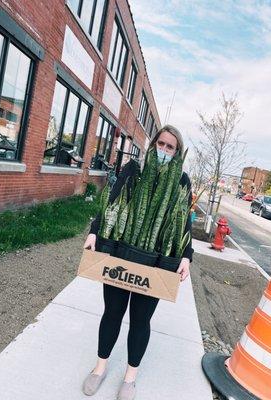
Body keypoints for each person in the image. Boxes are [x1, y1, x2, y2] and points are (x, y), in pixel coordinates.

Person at [82, 125, 194, 400]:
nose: (165, 150)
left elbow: (183, 223)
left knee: (141, 320)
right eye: (161, 144)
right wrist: (94, 232)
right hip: (123, 252)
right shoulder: (134, 169)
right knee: (112, 312)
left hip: (157, 261)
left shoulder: (182, 181)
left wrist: (186, 257)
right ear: (153, 143)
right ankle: (100, 368)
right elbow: (112, 203)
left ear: (177, 152)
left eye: (171, 147)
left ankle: (130, 377)